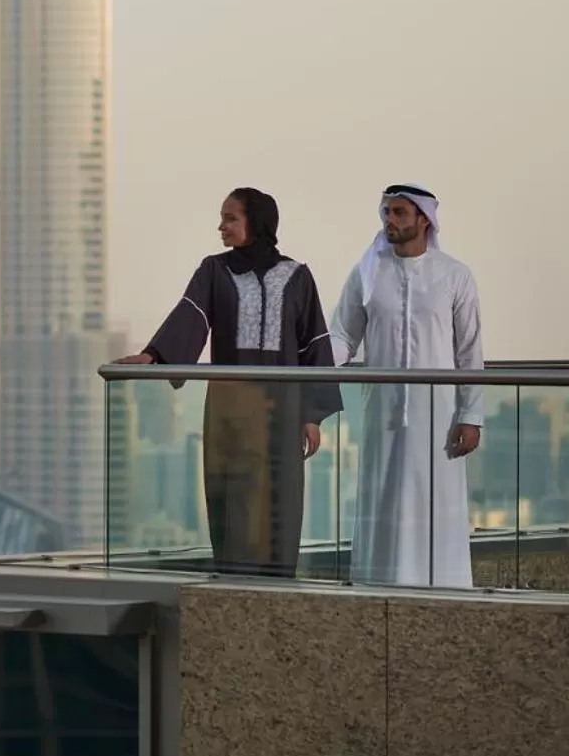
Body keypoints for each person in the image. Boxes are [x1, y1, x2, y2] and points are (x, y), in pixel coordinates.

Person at [115, 188, 342, 577]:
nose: (221, 226)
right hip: (230, 411)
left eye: (231, 218)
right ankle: (234, 586)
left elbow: (314, 346)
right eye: (222, 218)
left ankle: (277, 585)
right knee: (233, 498)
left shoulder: (297, 276)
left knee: (279, 499)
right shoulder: (214, 271)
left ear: (257, 222)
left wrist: (312, 416)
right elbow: (191, 317)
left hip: (282, 411)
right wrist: (154, 355)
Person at [329, 183, 484, 588]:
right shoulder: (367, 273)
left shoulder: (455, 276)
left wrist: (471, 415)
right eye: (386, 212)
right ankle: (377, 591)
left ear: (423, 219)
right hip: (381, 412)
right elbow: (343, 336)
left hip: (440, 417)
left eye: (400, 213)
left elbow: (470, 352)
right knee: (382, 499)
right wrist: (307, 362)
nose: (390, 221)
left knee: (436, 504)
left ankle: (443, 593)